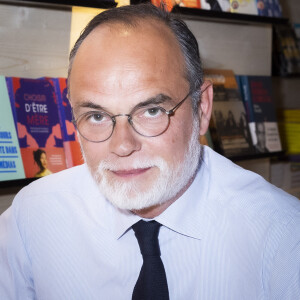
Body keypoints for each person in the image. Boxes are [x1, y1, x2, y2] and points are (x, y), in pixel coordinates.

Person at [0, 3, 299, 299]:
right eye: (97, 116)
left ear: (202, 108)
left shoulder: (283, 237)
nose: (122, 146)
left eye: (152, 110)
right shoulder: (32, 217)